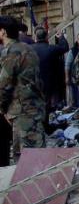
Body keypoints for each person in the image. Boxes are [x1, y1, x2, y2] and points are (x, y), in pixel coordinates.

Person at [0, 16, 46, 162]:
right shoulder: (28, 48)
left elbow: (4, 84)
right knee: (36, 153)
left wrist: (2, 109)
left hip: (21, 111)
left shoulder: (11, 52)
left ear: (3, 32)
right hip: (35, 107)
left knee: (25, 158)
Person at [31, 27, 68, 113]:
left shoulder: (29, 48)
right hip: (48, 82)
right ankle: (45, 123)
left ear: (35, 37)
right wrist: (61, 37)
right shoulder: (51, 48)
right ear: (47, 37)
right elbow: (65, 47)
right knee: (46, 104)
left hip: (33, 81)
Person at [64, 32, 79, 109]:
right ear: (76, 39)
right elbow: (67, 64)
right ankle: (77, 109)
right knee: (76, 95)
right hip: (75, 77)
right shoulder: (73, 50)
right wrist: (67, 77)